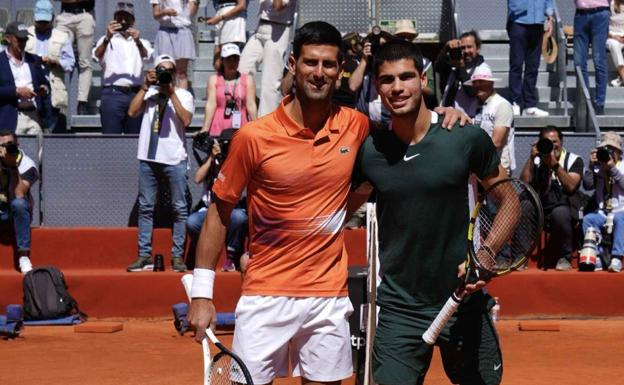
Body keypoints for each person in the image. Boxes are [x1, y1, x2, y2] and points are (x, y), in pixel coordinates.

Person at [187, 21, 469, 385]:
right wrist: (201, 294)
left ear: (340, 70)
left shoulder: (357, 126)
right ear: (293, 64)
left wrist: (443, 113)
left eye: (329, 65)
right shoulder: (253, 137)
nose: (319, 73)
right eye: (311, 62)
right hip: (264, 294)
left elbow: (406, 136)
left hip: (328, 297)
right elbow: (219, 210)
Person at [351, 39, 512, 385]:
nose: (397, 87)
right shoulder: (371, 152)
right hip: (400, 310)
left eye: (406, 77)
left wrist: (485, 254)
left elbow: (510, 201)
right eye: (387, 80)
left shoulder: (464, 137)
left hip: (464, 302)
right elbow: (341, 206)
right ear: (376, 87)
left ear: (423, 79)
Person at [126, 54, 194, 273]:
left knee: (179, 209)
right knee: (145, 208)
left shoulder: (183, 94)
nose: (164, 74)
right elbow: (131, 112)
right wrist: (145, 88)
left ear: (174, 74)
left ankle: (177, 256)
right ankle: (144, 254)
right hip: (149, 156)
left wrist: (172, 93)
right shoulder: (150, 94)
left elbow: (186, 120)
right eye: (160, 70)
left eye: (168, 71)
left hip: (174, 157)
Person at [520, 126, 584, 270]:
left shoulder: (574, 160)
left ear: (562, 142)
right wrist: (531, 158)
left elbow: (571, 186)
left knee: (560, 213)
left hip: (564, 207)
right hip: (540, 206)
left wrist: (554, 165)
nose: (552, 145)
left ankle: (565, 257)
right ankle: (521, 257)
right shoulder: (536, 160)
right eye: (547, 142)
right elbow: (523, 184)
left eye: (555, 141)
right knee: (524, 206)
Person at [186, 134, 248, 272]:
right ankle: (203, 251)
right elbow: (197, 178)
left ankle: (231, 256)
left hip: (232, 209)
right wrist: (212, 158)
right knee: (192, 222)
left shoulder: (236, 163)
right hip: (208, 209)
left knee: (240, 218)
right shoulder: (211, 162)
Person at [93, 2, 153, 134]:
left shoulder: (143, 42)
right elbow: (96, 56)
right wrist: (107, 37)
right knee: (111, 137)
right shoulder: (106, 39)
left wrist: (137, 41)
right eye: (119, 18)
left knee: (135, 138)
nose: (123, 21)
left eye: (127, 18)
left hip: (136, 94)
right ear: (114, 19)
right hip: (112, 94)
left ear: (133, 21)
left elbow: (147, 57)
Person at [239, 0, 297, 117]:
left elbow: (278, 6)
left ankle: (266, 121)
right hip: (260, 28)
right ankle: (254, 113)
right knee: (241, 73)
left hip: (278, 30)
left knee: (270, 84)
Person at [26, 0, 76, 134]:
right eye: (39, 21)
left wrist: (55, 62)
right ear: (34, 18)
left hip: (53, 90)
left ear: (53, 18)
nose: (42, 25)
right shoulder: (25, 35)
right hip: (31, 89)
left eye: (45, 22)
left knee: (53, 128)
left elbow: (70, 63)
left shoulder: (62, 37)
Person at [582, 131, 624, 272]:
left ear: (619, 152)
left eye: (612, 150)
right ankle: (597, 256)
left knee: (620, 219)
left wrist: (612, 169)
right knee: (588, 219)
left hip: (621, 211)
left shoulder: (622, 166)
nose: (608, 154)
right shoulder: (598, 167)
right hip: (603, 212)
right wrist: (591, 166)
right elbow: (587, 185)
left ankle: (617, 257)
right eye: (605, 150)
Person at [0, 21, 49, 135]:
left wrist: (44, 89)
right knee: (12, 153)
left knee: (38, 152)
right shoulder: (1, 61)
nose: (23, 43)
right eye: (19, 39)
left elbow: (45, 83)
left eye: (25, 39)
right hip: (11, 118)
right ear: (8, 38)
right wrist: (16, 91)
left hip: (34, 117)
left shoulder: (34, 60)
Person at [0, 130, 39, 274]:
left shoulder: (28, 165)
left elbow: (19, 194)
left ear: (17, 145)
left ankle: (23, 257)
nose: (6, 148)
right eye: (2, 145)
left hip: (17, 214)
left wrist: (12, 166)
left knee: (19, 204)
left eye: (10, 145)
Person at [466, 64, 516, 175]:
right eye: (475, 82)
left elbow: (497, 142)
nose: (478, 86)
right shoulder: (473, 105)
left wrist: (469, 154)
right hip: (478, 167)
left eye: (482, 82)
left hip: (498, 168)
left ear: (491, 83)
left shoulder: (502, 105)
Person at [507, 0, 553, 117]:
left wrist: (549, 16)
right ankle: (515, 102)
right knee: (516, 63)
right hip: (518, 21)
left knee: (533, 65)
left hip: (537, 23)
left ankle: (530, 104)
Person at [200, 43, 257, 136]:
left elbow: (250, 104)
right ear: (222, 61)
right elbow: (211, 104)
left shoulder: (248, 79)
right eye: (228, 59)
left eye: (235, 59)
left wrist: (256, 125)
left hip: (241, 124)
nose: (232, 62)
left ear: (239, 60)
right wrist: (205, 128)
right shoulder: (214, 79)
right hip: (219, 124)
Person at [56, 0, 95, 115]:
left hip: (84, 15)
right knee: (58, 57)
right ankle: (58, 99)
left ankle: (82, 102)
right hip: (64, 16)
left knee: (85, 62)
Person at [435, 30, 487, 116]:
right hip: (447, 116)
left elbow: (472, 92)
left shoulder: (483, 69)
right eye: (463, 48)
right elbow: (438, 67)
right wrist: (446, 48)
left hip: (466, 120)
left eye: (469, 47)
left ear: (477, 49)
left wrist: (461, 67)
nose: (466, 51)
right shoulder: (455, 64)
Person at [349, 26, 394, 123]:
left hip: (390, 122)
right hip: (365, 122)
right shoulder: (362, 65)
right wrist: (364, 59)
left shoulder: (394, 65)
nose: (378, 49)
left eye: (383, 46)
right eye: (375, 46)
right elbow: (353, 86)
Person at [151, 0, 199, 90]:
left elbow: (190, 14)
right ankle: (166, 99)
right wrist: (165, 12)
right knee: (165, 70)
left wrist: (196, 3)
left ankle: (182, 99)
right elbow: (155, 15)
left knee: (181, 73)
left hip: (183, 31)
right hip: (165, 31)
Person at [574, 0, 610, 114]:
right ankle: (584, 101)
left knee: (599, 59)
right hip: (581, 14)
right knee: (579, 62)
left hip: (600, 12)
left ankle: (599, 102)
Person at [607, 0, 624, 87]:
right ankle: (623, 74)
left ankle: (621, 79)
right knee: (614, 45)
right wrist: (614, 36)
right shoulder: (610, 3)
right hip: (611, 36)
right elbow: (602, 26)